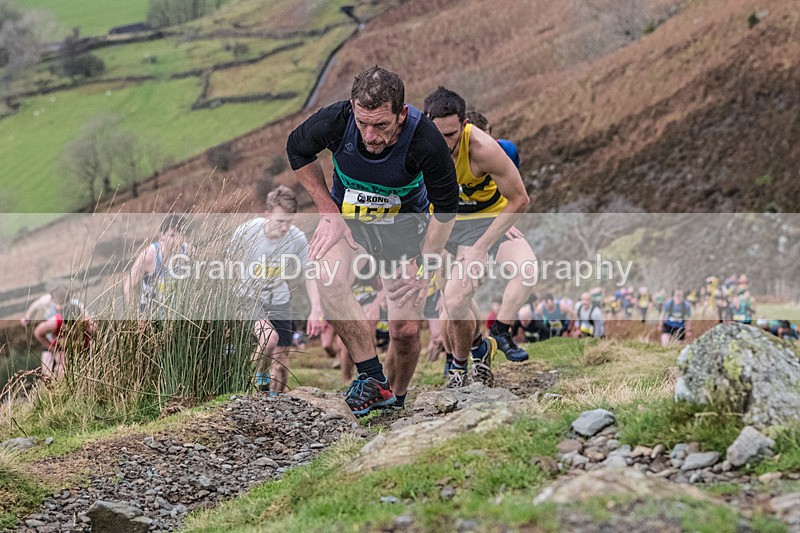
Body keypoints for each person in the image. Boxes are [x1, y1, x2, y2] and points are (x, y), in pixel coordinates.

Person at [286, 66, 459, 416]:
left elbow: (446, 207)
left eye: (381, 125)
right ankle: (372, 378)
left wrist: (426, 264)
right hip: (351, 225)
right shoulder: (337, 120)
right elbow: (297, 148)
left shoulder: (425, 140)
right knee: (327, 277)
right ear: (353, 109)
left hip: (404, 235)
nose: (370, 135)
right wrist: (328, 211)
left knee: (405, 331)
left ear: (401, 113)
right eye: (363, 123)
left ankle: (395, 401)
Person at [424, 86, 533, 389]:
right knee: (450, 300)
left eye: (451, 135)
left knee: (460, 296)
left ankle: (469, 358)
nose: (444, 144)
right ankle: (475, 349)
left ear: (464, 124)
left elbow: (520, 199)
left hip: (482, 222)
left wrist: (482, 247)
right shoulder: (417, 144)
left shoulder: (485, 148)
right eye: (438, 135)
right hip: (444, 222)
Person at [229, 186, 324, 394]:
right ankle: (258, 378)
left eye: (289, 222)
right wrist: (235, 295)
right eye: (280, 221)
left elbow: (310, 273)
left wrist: (316, 309)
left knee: (281, 365)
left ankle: (275, 401)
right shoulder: (247, 231)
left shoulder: (296, 238)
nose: (284, 227)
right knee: (269, 338)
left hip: (280, 299)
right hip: (250, 297)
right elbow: (231, 262)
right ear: (267, 214)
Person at [123, 214, 190, 315]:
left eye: (180, 235)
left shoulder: (189, 252)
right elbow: (128, 286)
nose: (177, 241)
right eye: (172, 235)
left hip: (176, 315)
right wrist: (137, 315)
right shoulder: (149, 256)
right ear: (162, 236)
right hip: (150, 315)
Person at [33, 302, 95, 379]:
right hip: (61, 350)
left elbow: (96, 341)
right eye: (69, 327)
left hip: (82, 351)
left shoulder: (89, 326)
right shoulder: (55, 323)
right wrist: (55, 350)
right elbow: (38, 333)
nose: (71, 330)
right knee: (61, 370)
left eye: (75, 327)